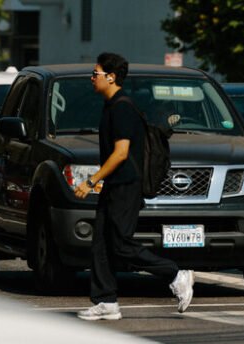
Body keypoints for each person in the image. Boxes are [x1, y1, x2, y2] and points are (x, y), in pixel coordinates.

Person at [73, 52, 193, 321]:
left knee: (121, 245)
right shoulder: (111, 106)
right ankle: (106, 301)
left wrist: (91, 181)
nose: (91, 78)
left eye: (96, 73)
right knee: (102, 243)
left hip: (126, 185)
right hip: (115, 185)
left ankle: (175, 274)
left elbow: (121, 153)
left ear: (111, 77)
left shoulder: (122, 108)